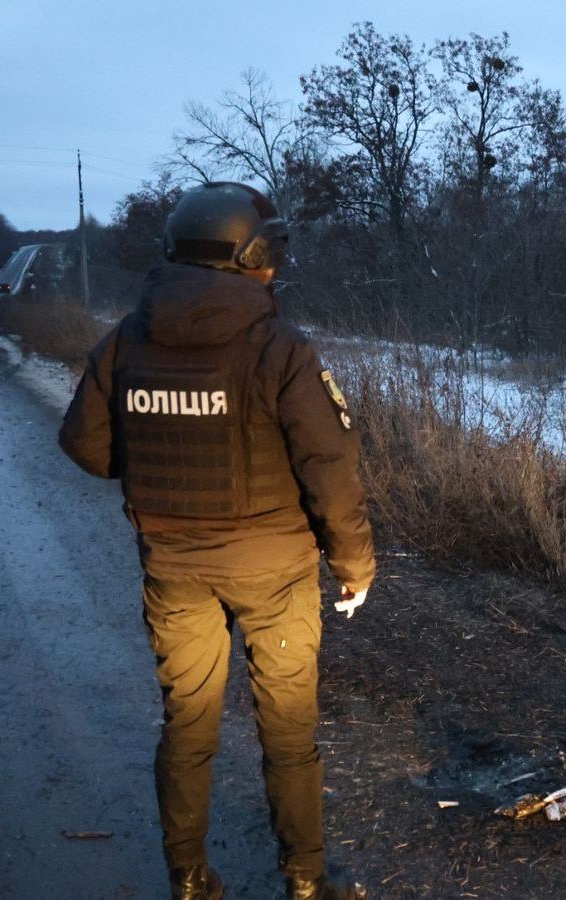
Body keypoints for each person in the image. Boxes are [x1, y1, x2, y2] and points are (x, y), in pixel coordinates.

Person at [59, 182, 375, 900]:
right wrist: (354, 562)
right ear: (254, 257)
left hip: (174, 568)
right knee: (288, 730)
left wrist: (142, 467)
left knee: (188, 723)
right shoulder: (281, 348)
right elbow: (329, 468)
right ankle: (304, 879)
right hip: (276, 572)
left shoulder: (122, 343)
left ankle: (190, 879)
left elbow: (82, 443)